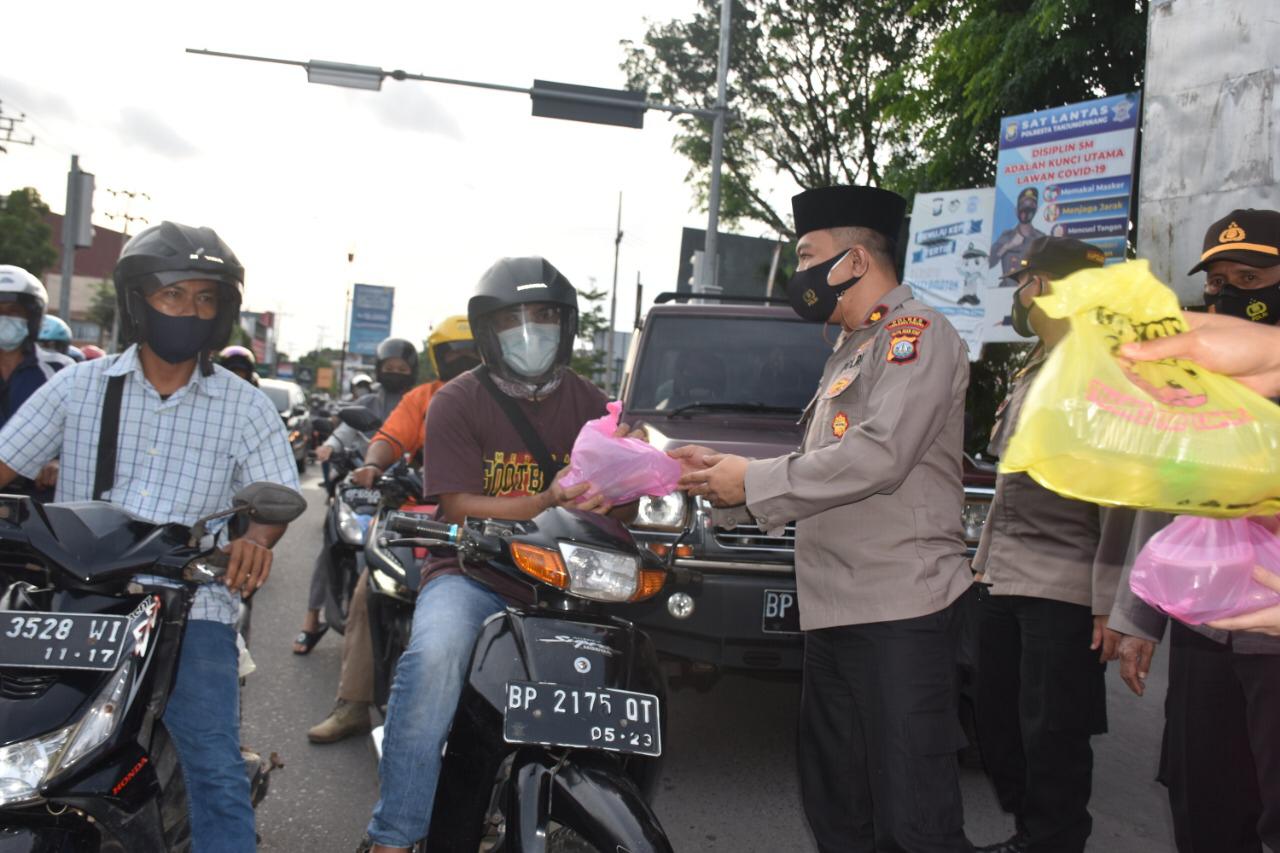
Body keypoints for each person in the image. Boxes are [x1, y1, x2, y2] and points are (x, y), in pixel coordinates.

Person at [676, 185, 975, 852]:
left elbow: (878, 456)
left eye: (809, 255)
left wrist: (751, 480)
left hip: (900, 612)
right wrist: (728, 484)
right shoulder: (848, 347)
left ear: (856, 261)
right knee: (840, 807)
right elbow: (822, 468)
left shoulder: (915, 335)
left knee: (914, 818)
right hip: (834, 611)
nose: (798, 274)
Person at [0, 221, 301, 853]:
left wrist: (256, 540)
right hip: (80, 603)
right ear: (140, 300)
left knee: (214, 767)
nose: (188, 309)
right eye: (173, 294)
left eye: (204, 298)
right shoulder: (80, 385)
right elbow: (7, 462)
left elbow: (276, 497)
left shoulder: (244, 406)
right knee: (20, 744)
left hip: (191, 607)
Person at [358, 257, 628, 853]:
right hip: (472, 571)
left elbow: (622, 503)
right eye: (513, 318)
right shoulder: (456, 401)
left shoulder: (594, 402)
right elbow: (455, 507)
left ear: (568, 324)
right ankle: (394, 837)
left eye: (544, 316)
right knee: (434, 659)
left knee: (630, 669)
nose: (530, 330)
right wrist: (548, 496)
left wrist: (637, 480)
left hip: (566, 580)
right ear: (487, 330)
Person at [1107, 207, 1280, 853]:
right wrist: (1140, 615)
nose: (1231, 294)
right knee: (1205, 807)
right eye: (1217, 283)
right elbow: (1164, 502)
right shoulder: (1198, 376)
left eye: (1252, 276)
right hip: (1206, 634)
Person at [968, 237, 1134, 853]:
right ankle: (1028, 832)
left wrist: (1111, 602)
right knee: (997, 725)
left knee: (1052, 736)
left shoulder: (1105, 373)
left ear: (1051, 288)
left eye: (1026, 279)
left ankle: (1051, 840)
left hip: (1065, 587)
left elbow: (1121, 498)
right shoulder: (1037, 364)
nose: (1019, 293)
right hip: (1005, 578)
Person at [306, 316, 479, 741]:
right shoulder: (423, 398)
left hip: (481, 522)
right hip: (414, 513)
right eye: (451, 354)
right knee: (368, 591)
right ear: (437, 359)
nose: (461, 362)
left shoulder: (501, 402)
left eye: (469, 353)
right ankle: (353, 704)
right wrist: (371, 464)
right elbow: (391, 437)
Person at [297, 337, 420, 653]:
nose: (395, 372)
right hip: (363, 485)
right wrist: (330, 447)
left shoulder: (421, 402)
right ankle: (311, 620)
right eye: (389, 367)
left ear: (413, 370)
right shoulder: (368, 403)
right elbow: (344, 432)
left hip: (408, 490)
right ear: (379, 369)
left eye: (401, 368)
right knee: (332, 542)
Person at [990, 188, 1048, 279]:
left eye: (1031, 205)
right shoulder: (1006, 237)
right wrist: (1007, 246)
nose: (1027, 208)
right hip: (1006, 290)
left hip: (1032, 290)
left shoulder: (1042, 239)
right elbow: (989, 263)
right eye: (1023, 204)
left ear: (1036, 210)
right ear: (1016, 210)